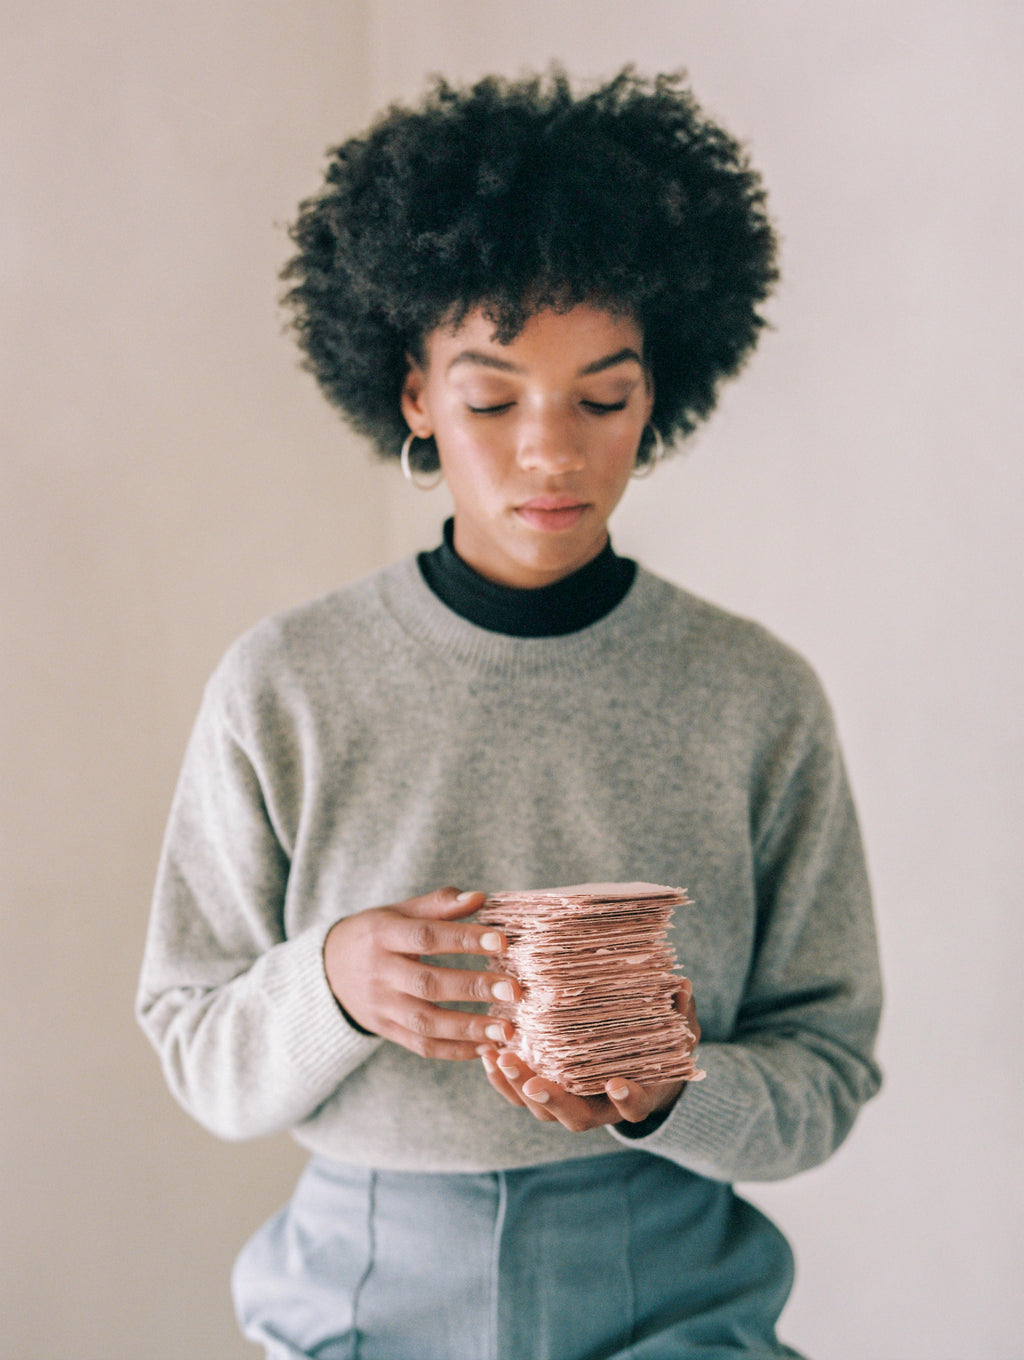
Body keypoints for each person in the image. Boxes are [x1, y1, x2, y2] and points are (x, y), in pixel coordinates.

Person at [137, 68, 882, 1360]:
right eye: (492, 399)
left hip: (678, 1300)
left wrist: (668, 1087)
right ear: (415, 396)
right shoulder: (287, 683)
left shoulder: (755, 697)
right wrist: (331, 985)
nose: (552, 451)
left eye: (603, 397)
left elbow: (825, 1074)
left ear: (661, 393)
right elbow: (196, 1044)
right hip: (357, 1303)